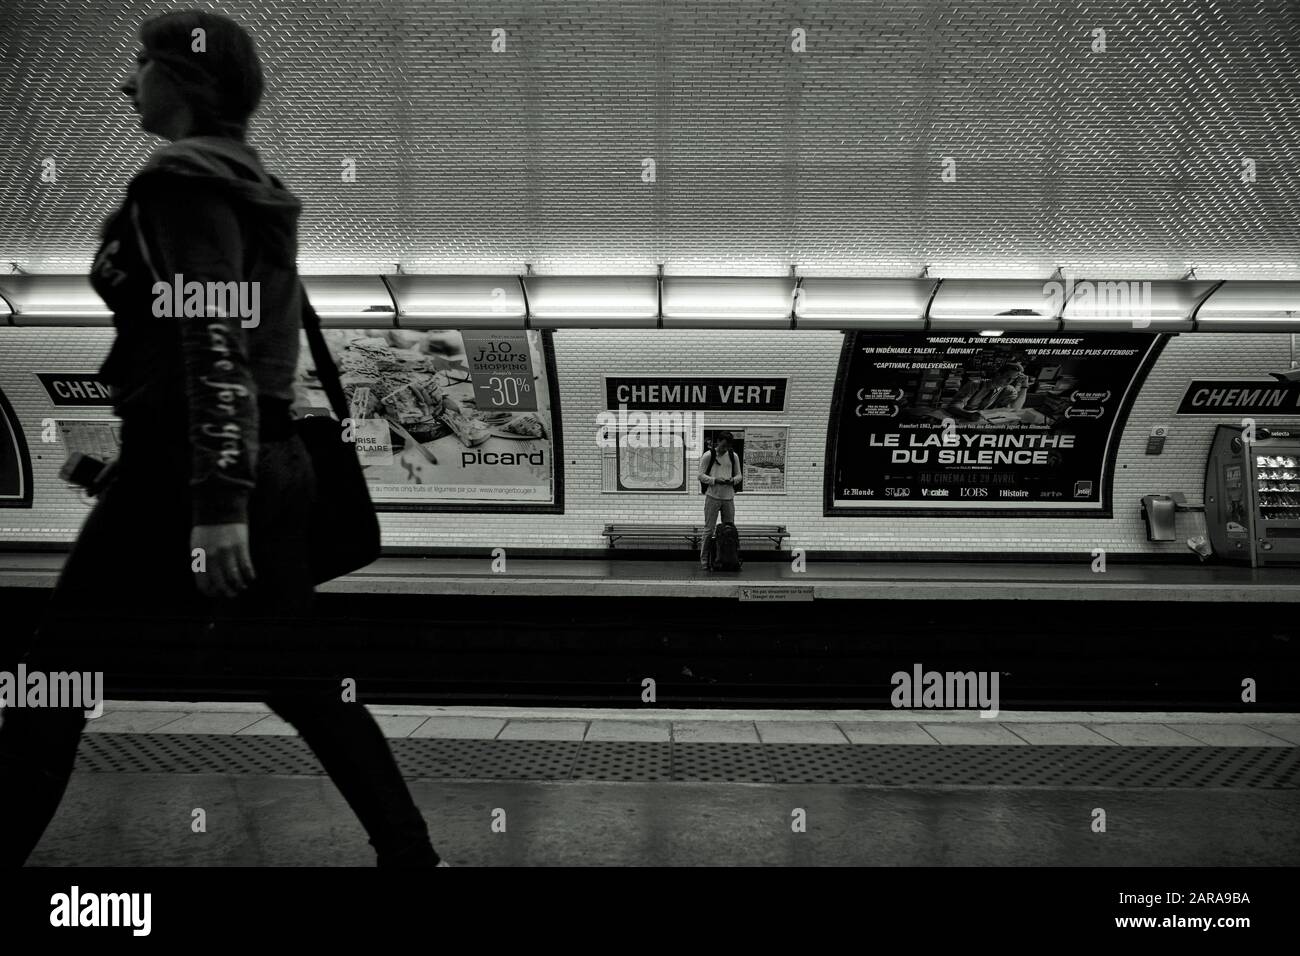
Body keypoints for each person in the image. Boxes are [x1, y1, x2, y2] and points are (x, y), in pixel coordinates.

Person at [0, 11, 445, 867]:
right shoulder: (246, 181)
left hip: (197, 474)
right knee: (305, 683)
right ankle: (412, 858)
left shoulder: (181, 179)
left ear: (190, 81)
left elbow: (210, 339)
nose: (125, 82)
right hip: (258, 463)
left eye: (140, 64)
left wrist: (212, 501)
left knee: (48, 689)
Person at [698, 432, 743, 568]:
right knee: (709, 530)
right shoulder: (708, 455)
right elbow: (700, 476)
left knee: (729, 530)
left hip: (728, 497)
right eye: (723, 446)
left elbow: (739, 475)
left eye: (728, 446)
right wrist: (715, 480)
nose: (725, 449)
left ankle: (728, 559)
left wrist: (732, 480)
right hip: (712, 496)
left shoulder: (733, 455)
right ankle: (704, 561)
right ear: (718, 442)